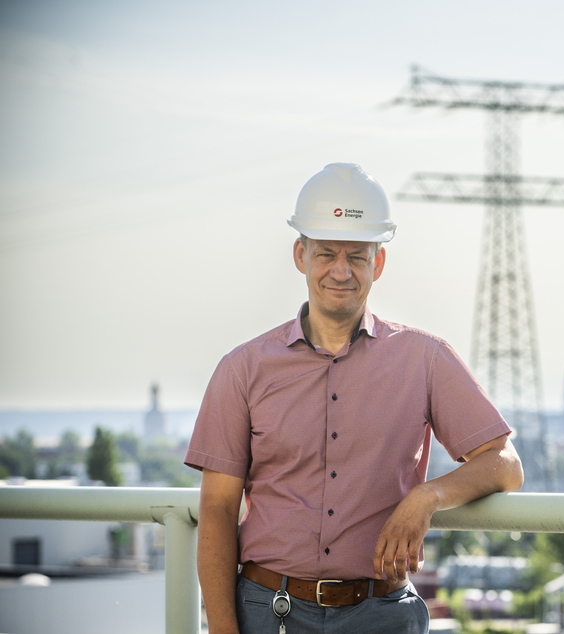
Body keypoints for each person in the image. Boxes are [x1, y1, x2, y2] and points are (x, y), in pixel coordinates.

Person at [185, 162, 524, 634]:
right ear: (300, 255)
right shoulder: (242, 369)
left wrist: (428, 496)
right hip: (270, 612)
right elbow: (219, 510)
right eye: (326, 253)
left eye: (357, 256)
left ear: (377, 264)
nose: (340, 271)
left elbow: (505, 464)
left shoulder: (424, 359)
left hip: (382, 615)